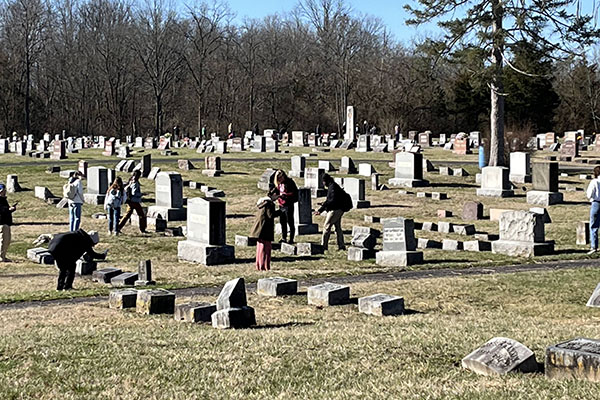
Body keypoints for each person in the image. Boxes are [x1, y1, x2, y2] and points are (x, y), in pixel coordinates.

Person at [314, 173, 352, 251]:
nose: (323, 183)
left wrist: (320, 209)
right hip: (338, 209)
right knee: (337, 228)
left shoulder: (333, 187)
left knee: (326, 227)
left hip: (335, 210)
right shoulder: (333, 186)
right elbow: (331, 200)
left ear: (326, 181)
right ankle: (341, 246)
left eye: (323, 182)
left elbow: (331, 201)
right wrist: (323, 204)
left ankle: (324, 247)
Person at [250, 195, 279, 271]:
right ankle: (265, 266)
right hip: (265, 228)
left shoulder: (263, 202)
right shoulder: (269, 203)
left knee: (260, 247)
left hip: (260, 228)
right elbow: (270, 215)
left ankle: (259, 265)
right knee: (266, 248)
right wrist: (281, 211)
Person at [273, 170, 298, 244]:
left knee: (290, 221)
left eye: (280, 178)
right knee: (282, 222)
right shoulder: (279, 184)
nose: (279, 180)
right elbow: (277, 191)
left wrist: (285, 196)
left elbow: (294, 193)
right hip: (281, 205)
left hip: (288, 205)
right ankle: (284, 238)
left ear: (283, 176)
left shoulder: (289, 182)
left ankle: (291, 239)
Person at [0, 183, 16, 262]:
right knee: (3, 241)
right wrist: (8, 209)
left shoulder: (3, 199)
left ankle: (3, 256)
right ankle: (1, 257)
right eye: (2, 191)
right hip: (1, 223)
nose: (4, 192)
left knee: (7, 241)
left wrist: (11, 209)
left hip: (6, 223)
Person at [586, 166, 600, 254]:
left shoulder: (594, 182)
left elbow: (589, 194)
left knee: (594, 225)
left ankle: (594, 246)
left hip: (596, 203)